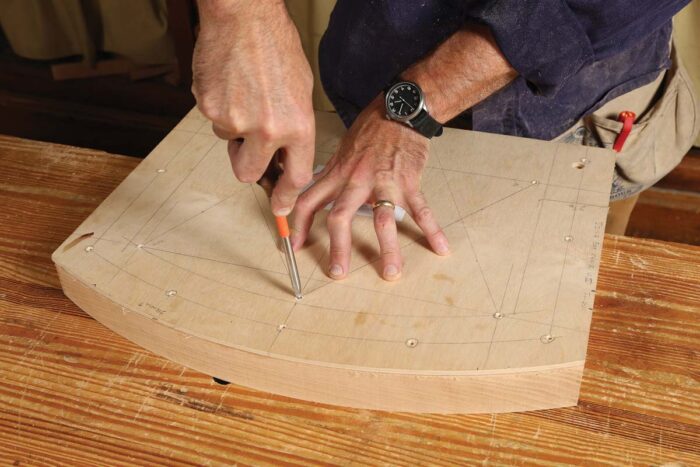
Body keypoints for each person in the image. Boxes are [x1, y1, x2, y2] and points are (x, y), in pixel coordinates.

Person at [192, 0, 697, 282]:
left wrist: (409, 106)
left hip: (575, 114)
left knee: (576, 300)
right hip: (369, 69)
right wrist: (240, 14)